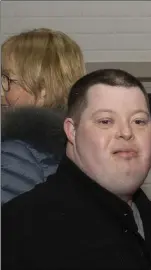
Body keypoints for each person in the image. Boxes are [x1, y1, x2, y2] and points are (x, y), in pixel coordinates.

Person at [2, 69, 151, 270]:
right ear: (72, 131)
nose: (126, 132)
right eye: (105, 121)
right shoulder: (20, 228)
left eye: (139, 121)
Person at [1, 28, 86, 203]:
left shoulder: (14, 153)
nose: (2, 93)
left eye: (7, 80)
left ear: (43, 90)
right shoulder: (88, 147)